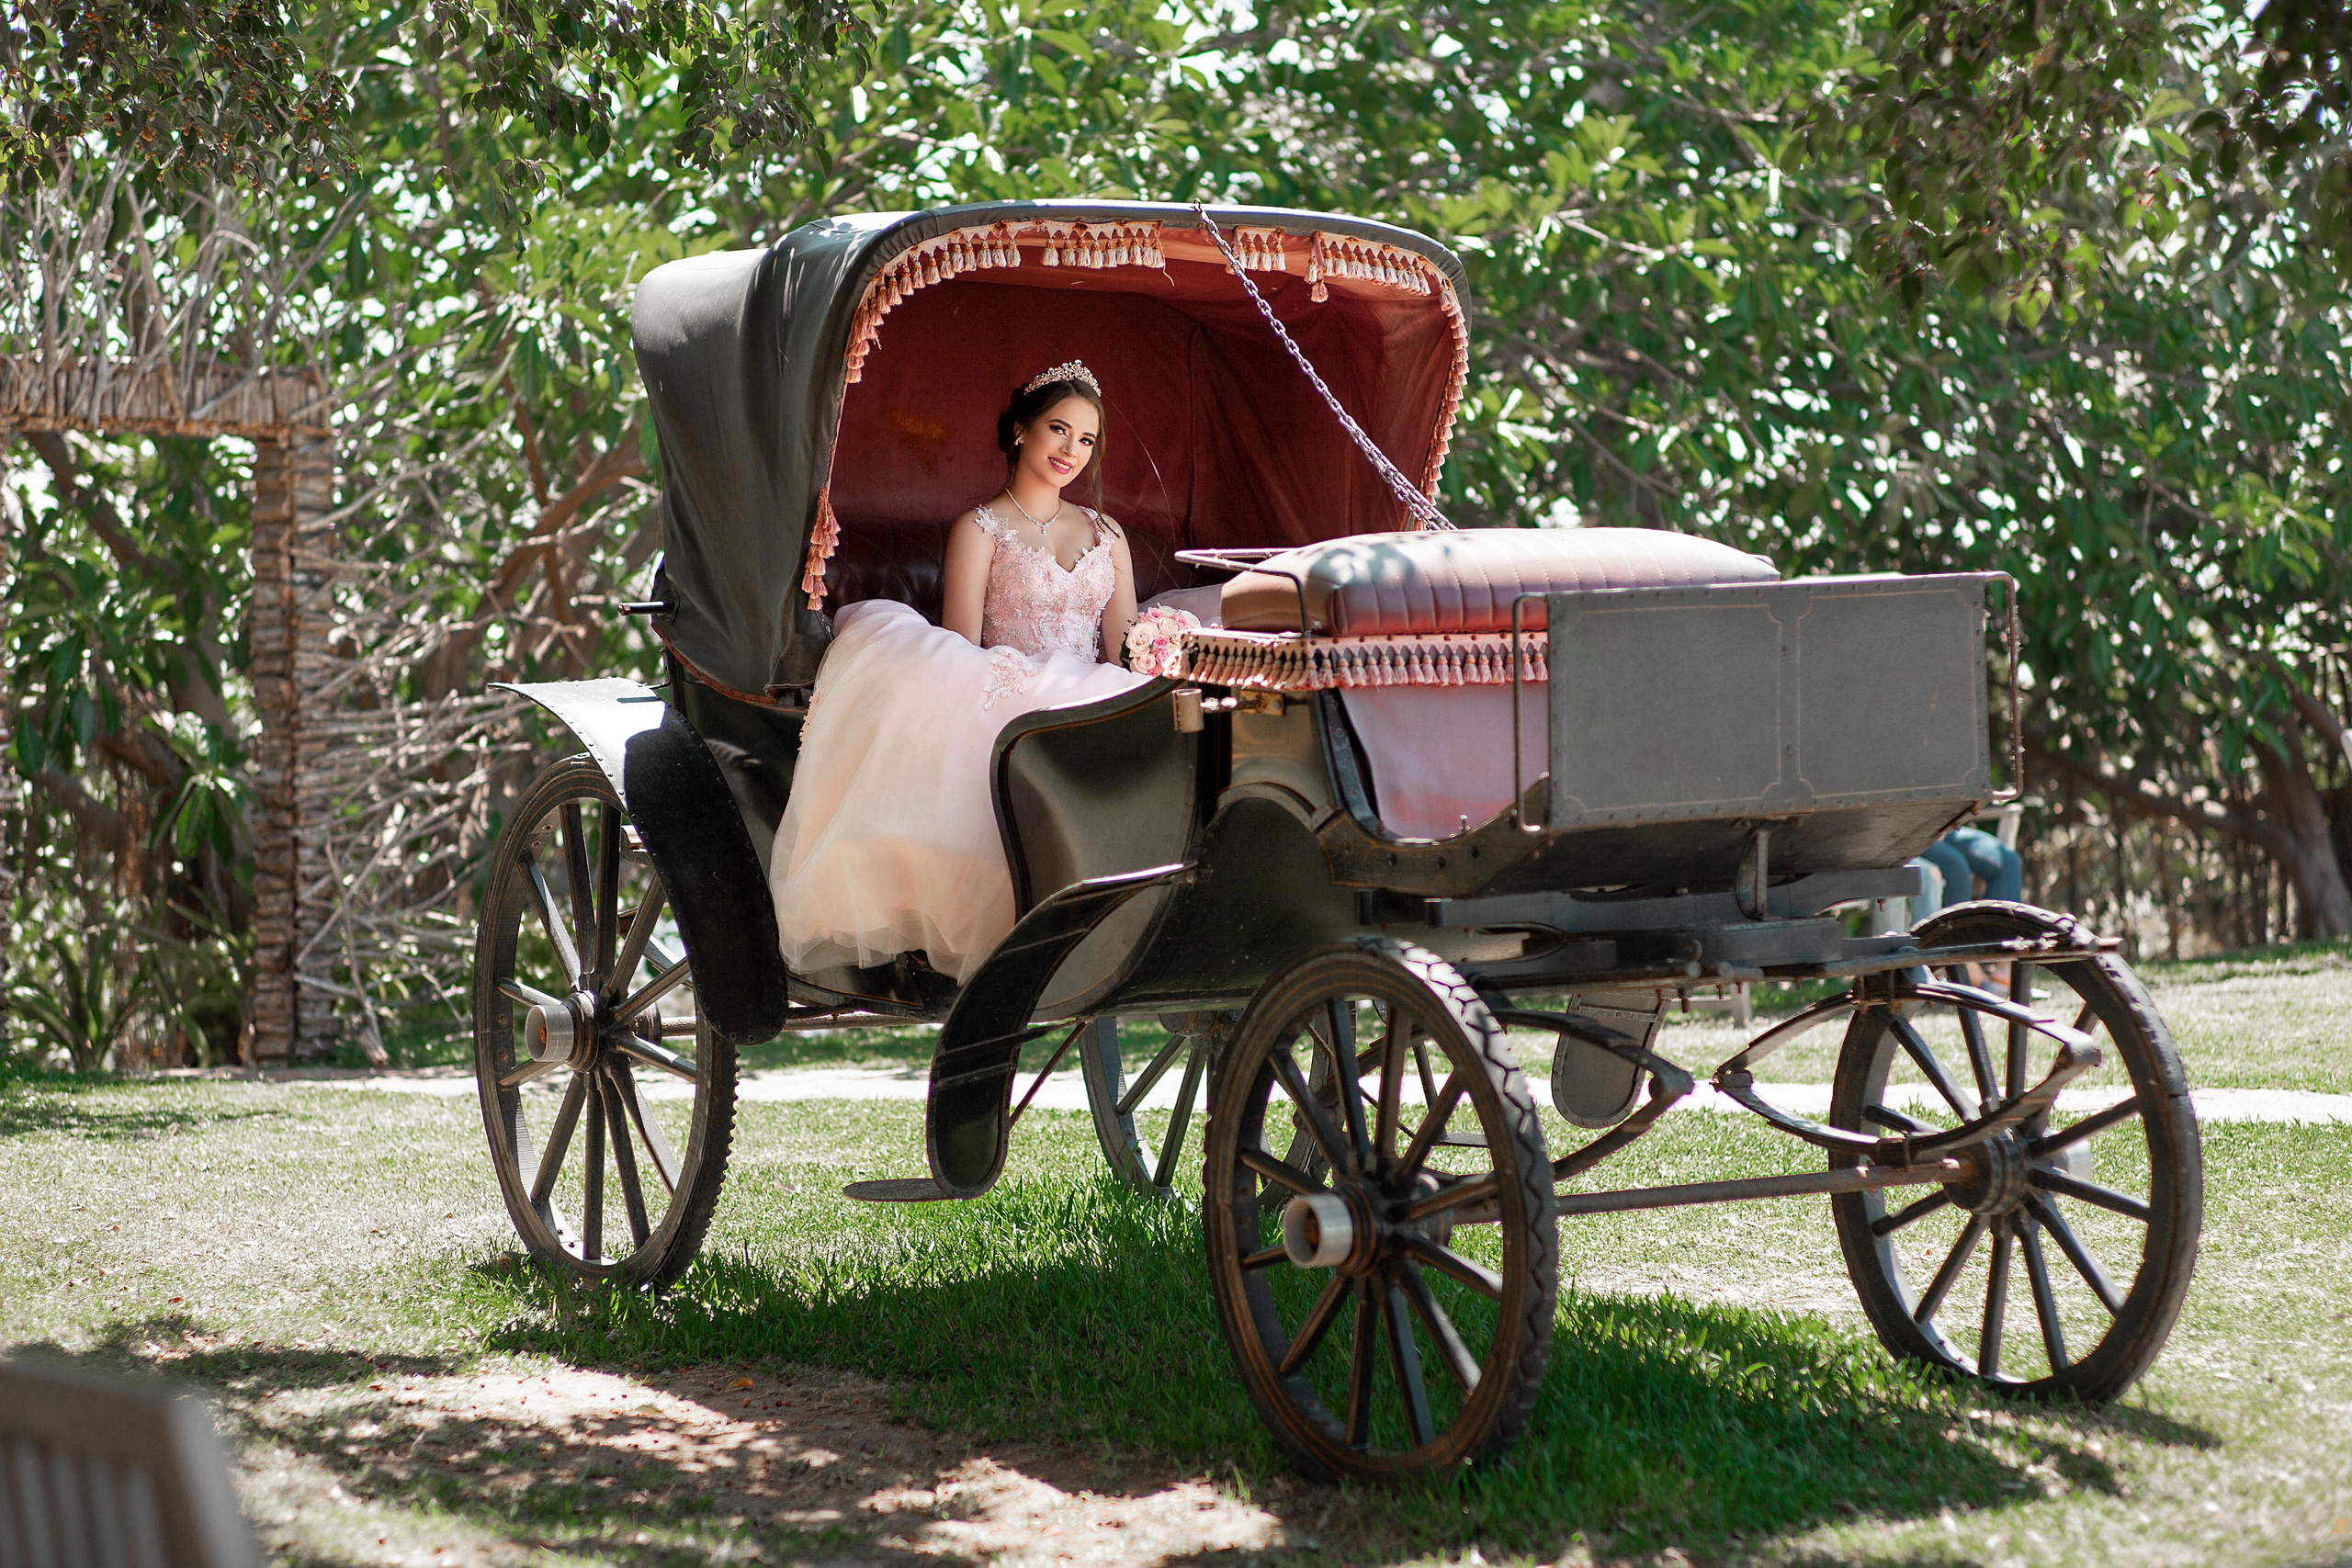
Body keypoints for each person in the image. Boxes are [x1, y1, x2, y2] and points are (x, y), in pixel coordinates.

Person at [768, 362, 1149, 981]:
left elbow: (1125, 649)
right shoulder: (979, 529)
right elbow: (961, 650)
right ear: (1022, 429)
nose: (1071, 451)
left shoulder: (1107, 534)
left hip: (1092, 688)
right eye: (1059, 429)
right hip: (1006, 692)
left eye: (1086, 439)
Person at [1909, 822, 2026, 992]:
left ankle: (2004, 964)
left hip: (1946, 827)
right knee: (1956, 867)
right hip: (1910, 833)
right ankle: (1963, 961)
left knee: (2008, 862)